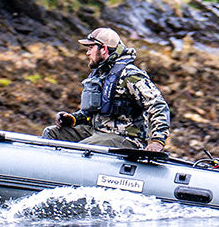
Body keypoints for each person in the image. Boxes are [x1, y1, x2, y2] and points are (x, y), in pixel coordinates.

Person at [42, 27, 170, 152]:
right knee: (51, 133)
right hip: (97, 132)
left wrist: (157, 141)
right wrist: (73, 118)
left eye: (91, 48)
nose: (87, 52)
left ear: (103, 49)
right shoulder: (99, 74)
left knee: (81, 148)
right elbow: (92, 112)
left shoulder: (130, 75)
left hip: (126, 138)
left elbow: (158, 105)